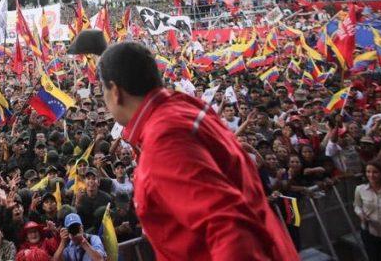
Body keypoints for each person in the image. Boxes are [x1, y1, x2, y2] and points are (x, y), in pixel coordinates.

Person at [97, 41, 298, 260]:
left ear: (115, 91)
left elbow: (231, 230)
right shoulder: (184, 108)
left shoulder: (164, 139)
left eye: (102, 90)